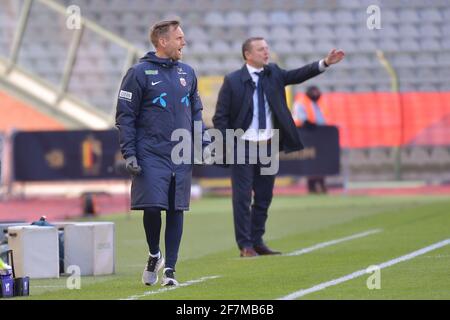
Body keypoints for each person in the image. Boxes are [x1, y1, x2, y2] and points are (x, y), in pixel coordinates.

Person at [213, 37, 344, 257]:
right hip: (242, 147)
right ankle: (245, 245)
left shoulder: (273, 73)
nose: (266, 52)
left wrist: (325, 63)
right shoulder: (233, 80)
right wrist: (229, 145)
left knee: (264, 196)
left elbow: (298, 75)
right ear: (247, 54)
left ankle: (257, 241)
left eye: (267, 48)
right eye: (261, 49)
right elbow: (220, 118)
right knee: (242, 197)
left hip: (267, 146)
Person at [115, 20, 208, 286]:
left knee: (176, 210)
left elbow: (197, 111)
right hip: (149, 152)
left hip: (180, 153)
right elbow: (125, 116)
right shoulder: (138, 73)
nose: (184, 42)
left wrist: (203, 141)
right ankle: (155, 254)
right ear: (162, 42)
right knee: (153, 206)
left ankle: (171, 271)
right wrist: (129, 153)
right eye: (179, 38)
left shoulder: (188, 73)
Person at [292, 85, 328, 194]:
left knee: (319, 162)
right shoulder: (301, 102)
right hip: (306, 136)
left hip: (317, 136)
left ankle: (321, 185)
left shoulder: (317, 104)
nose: (316, 94)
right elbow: (302, 120)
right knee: (311, 161)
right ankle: (312, 187)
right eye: (314, 91)